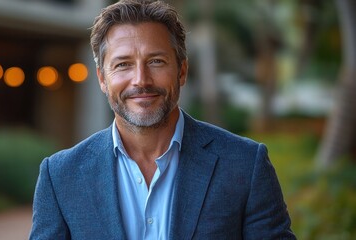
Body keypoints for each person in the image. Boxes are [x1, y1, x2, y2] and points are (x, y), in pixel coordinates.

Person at [29, 0, 296, 239]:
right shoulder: (61, 176)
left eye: (156, 61)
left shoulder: (245, 165)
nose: (140, 80)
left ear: (181, 71)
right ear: (102, 78)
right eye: (123, 64)